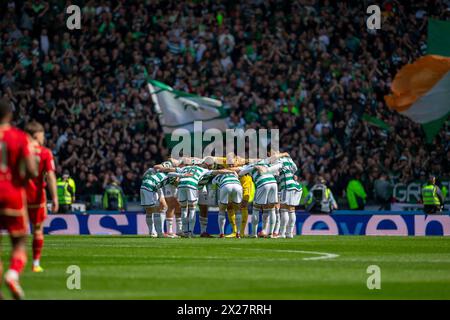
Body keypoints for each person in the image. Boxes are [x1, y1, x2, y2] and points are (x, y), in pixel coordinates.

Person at [0, 98, 37, 299]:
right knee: (19, 244)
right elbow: (32, 170)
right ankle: (13, 274)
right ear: (10, 115)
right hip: (12, 194)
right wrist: (20, 179)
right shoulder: (20, 137)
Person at [24, 121, 58, 273]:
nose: (44, 138)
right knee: (37, 230)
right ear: (37, 135)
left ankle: (16, 263)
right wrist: (55, 198)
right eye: (43, 135)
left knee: (17, 231)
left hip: (19, 195)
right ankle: (35, 263)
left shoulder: (19, 151)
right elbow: (50, 176)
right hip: (37, 196)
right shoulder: (45, 152)